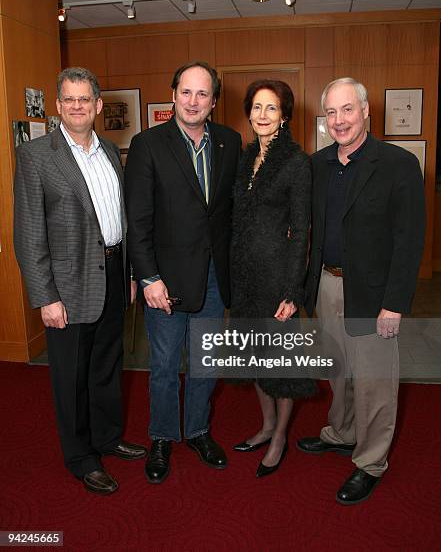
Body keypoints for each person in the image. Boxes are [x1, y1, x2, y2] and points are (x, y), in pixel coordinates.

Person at [14, 67, 146, 496]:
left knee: (107, 366)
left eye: (84, 99)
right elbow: (29, 233)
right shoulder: (36, 156)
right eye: (68, 99)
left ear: (98, 106)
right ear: (57, 105)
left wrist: (126, 274)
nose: (76, 106)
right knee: (71, 377)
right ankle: (81, 457)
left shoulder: (109, 150)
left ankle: (107, 438)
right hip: (66, 289)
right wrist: (45, 297)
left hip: (111, 276)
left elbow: (118, 220)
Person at [298, 77, 425, 504]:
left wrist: (395, 303)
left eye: (347, 109)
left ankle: (370, 461)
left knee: (374, 381)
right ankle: (343, 432)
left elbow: (409, 241)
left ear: (367, 110)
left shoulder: (398, 164)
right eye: (331, 112)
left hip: (374, 295)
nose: (339, 120)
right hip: (327, 286)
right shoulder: (317, 165)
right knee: (339, 371)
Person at [124, 61, 241, 484]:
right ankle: (160, 437)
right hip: (166, 282)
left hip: (214, 278)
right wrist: (148, 278)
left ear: (214, 101)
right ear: (173, 95)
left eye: (203, 94)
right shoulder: (147, 144)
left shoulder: (230, 142)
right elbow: (137, 221)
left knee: (206, 364)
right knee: (165, 365)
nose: (193, 101)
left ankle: (196, 431)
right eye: (186, 92)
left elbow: (229, 214)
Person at [230, 80, 316, 478]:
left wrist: (292, 290)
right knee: (255, 358)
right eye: (257, 107)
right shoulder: (246, 158)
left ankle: (280, 435)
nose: (262, 115)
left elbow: (301, 231)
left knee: (280, 365)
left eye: (272, 108)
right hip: (246, 277)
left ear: (285, 116)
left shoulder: (296, 163)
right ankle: (265, 426)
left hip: (277, 278)